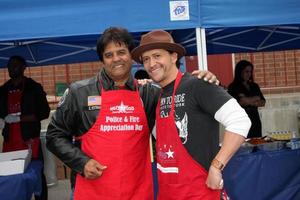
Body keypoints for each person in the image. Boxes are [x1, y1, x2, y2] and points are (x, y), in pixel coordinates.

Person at [46, 27, 218, 200]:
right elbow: (54, 135)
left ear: (131, 56)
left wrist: (202, 81)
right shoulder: (79, 92)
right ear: (102, 61)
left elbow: (180, 100)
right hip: (94, 192)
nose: (116, 59)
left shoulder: (149, 94)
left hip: (138, 192)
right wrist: (81, 163)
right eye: (109, 55)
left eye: (121, 52)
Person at [131, 30, 251, 199]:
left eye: (157, 56)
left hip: (199, 192)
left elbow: (240, 121)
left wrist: (216, 166)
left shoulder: (197, 85)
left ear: (173, 57)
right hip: (168, 193)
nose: (151, 64)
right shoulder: (157, 95)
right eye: (146, 59)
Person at [0, 55, 50, 200]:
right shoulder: (2, 90)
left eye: (15, 65)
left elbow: (44, 112)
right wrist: (2, 120)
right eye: (9, 65)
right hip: (10, 140)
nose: (11, 68)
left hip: (29, 140)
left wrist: (19, 118)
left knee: (36, 173)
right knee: (11, 175)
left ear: (23, 68)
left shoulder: (34, 88)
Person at [227, 60, 266, 138]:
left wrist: (248, 100)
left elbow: (263, 102)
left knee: (257, 142)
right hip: (241, 121)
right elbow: (240, 102)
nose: (249, 74)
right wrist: (255, 99)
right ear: (240, 72)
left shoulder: (254, 86)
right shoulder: (233, 87)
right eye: (246, 71)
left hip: (255, 120)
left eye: (250, 72)